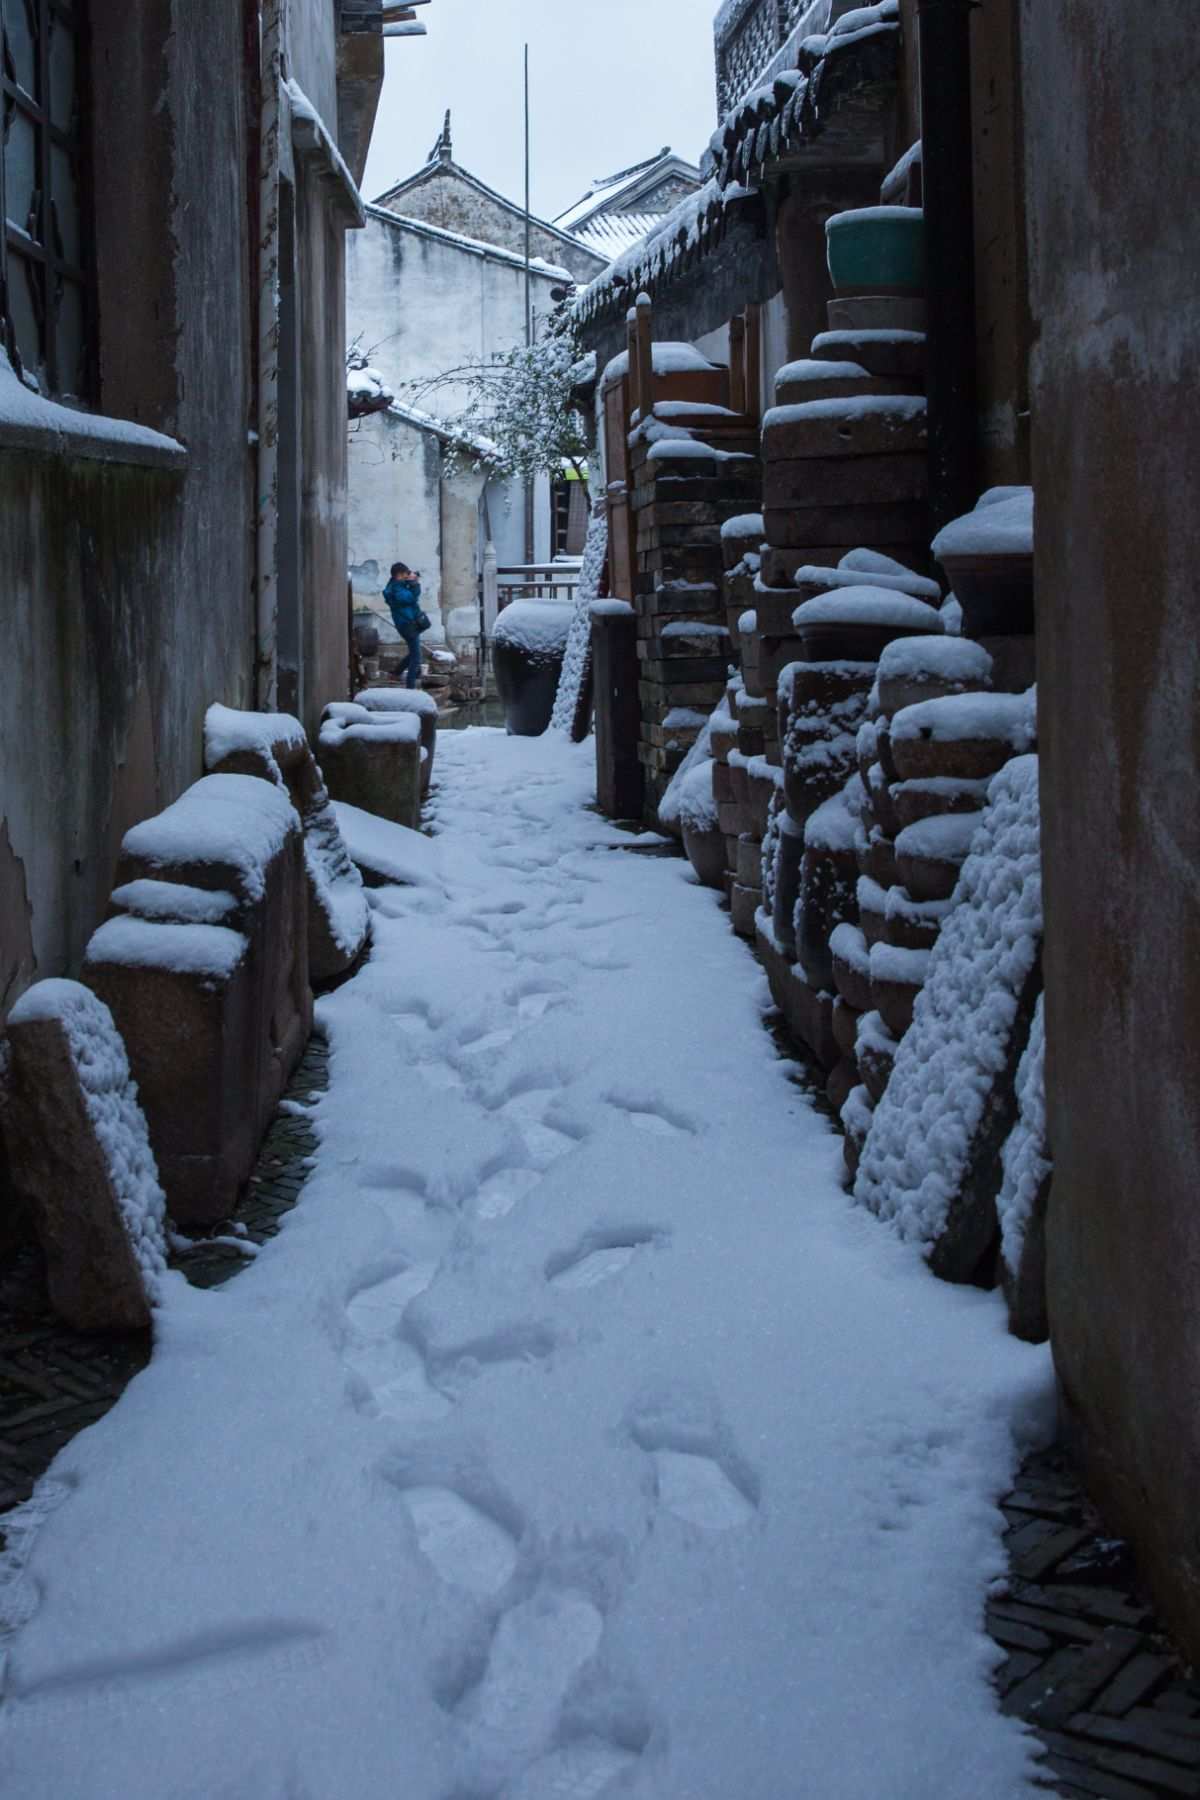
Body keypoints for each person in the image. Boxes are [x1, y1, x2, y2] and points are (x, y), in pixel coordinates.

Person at [382, 561, 426, 689]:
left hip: (407, 623)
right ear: (399, 575)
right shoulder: (396, 589)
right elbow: (410, 598)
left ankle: (396, 674)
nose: (408, 576)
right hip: (407, 625)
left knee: (414, 653)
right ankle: (410, 688)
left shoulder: (397, 585)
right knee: (416, 657)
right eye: (406, 574)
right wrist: (414, 583)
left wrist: (411, 583)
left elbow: (412, 597)